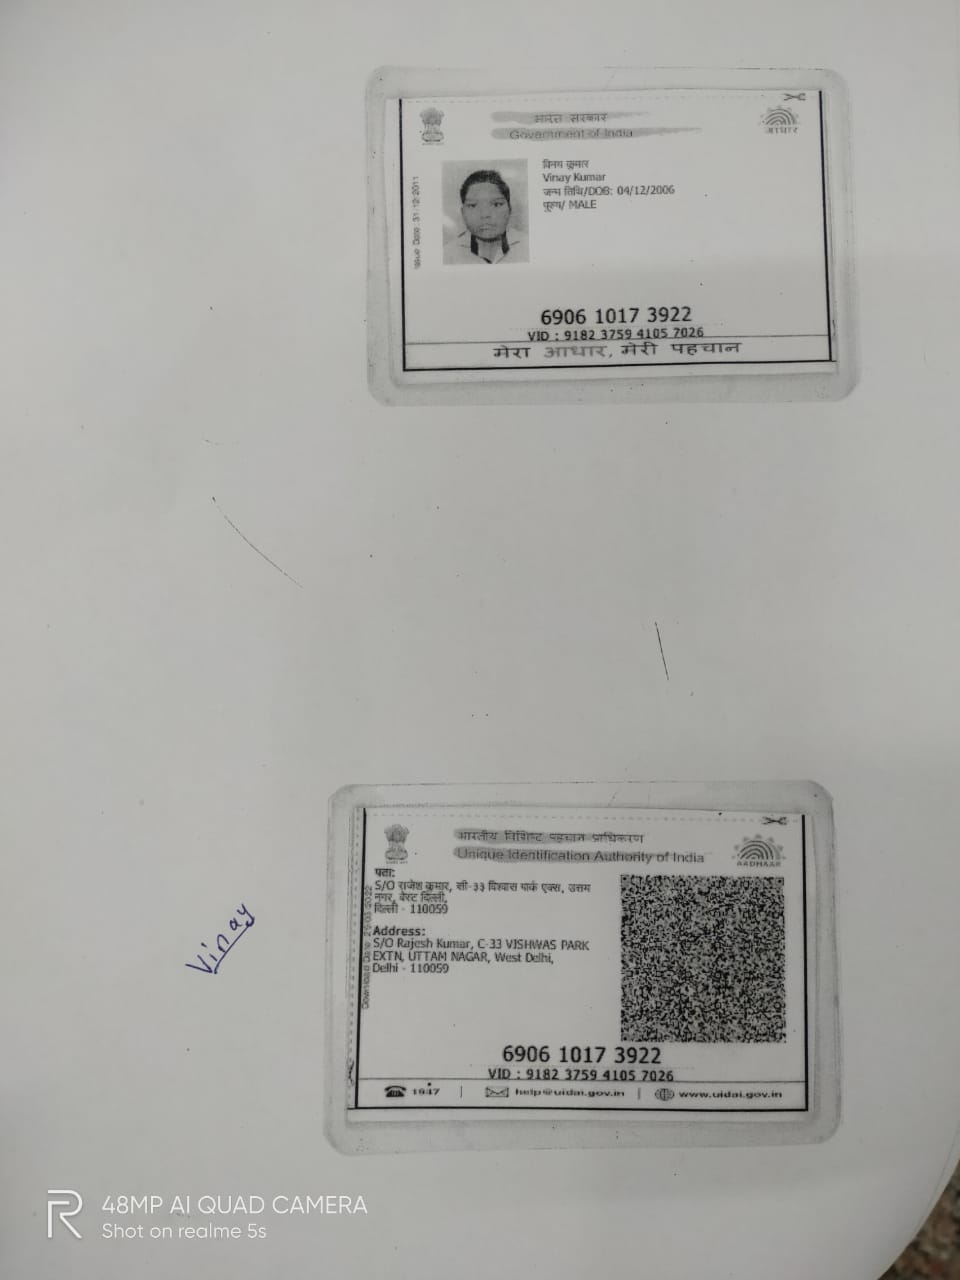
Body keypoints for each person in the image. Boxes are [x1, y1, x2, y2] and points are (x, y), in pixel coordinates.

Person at [443, 169, 528, 265]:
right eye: (473, 205)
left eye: (496, 204)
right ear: (463, 213)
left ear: (509, 209)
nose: (485, 215)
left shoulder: (529, 246)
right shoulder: (447, 255)